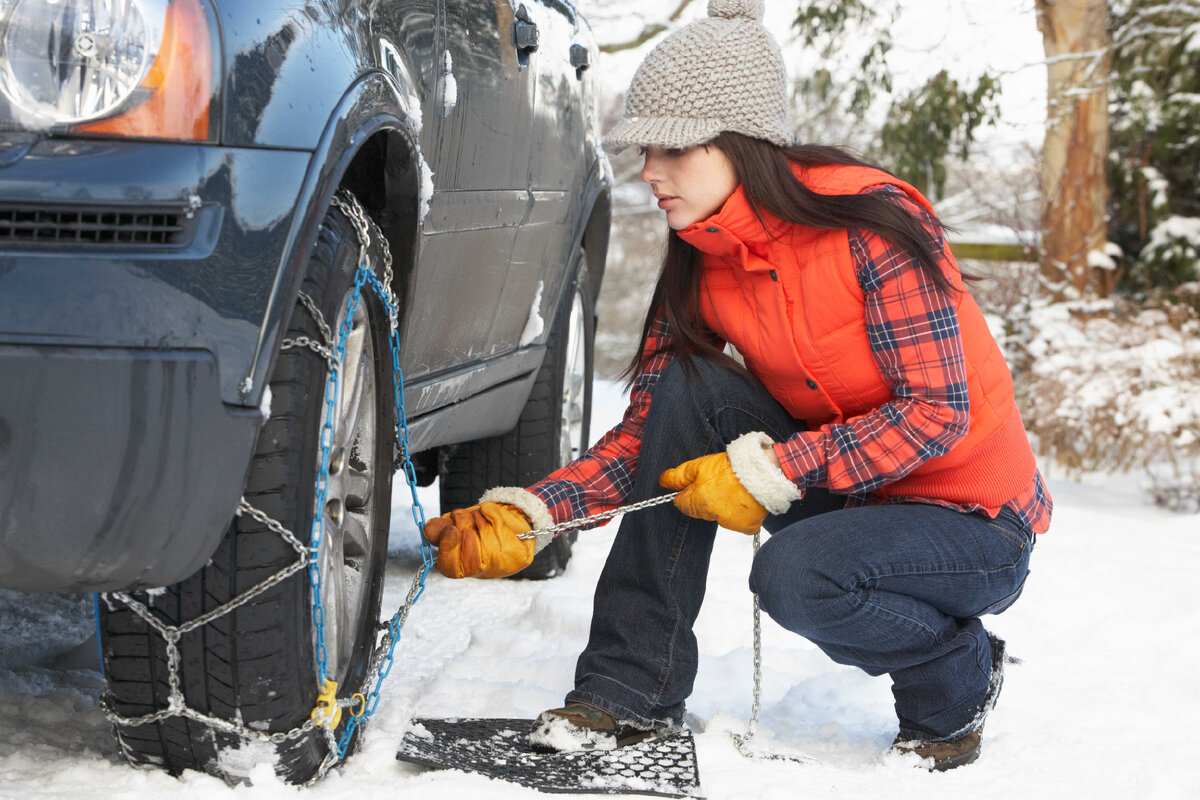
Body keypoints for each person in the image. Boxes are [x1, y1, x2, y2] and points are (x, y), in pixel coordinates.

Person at [421, 0, 1051, 772]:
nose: (649, 170)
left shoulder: (872, 232)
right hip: (852, 499)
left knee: (795, 574)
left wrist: (776, 469)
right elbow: (650, 437)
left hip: (972, 524)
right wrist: (535, 513)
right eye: (646, 147)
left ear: (741, 145)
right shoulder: (704, 256)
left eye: (673, 148)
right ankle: (631, 687)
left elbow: (937, 411)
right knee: (689, 385)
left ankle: (956, 675)